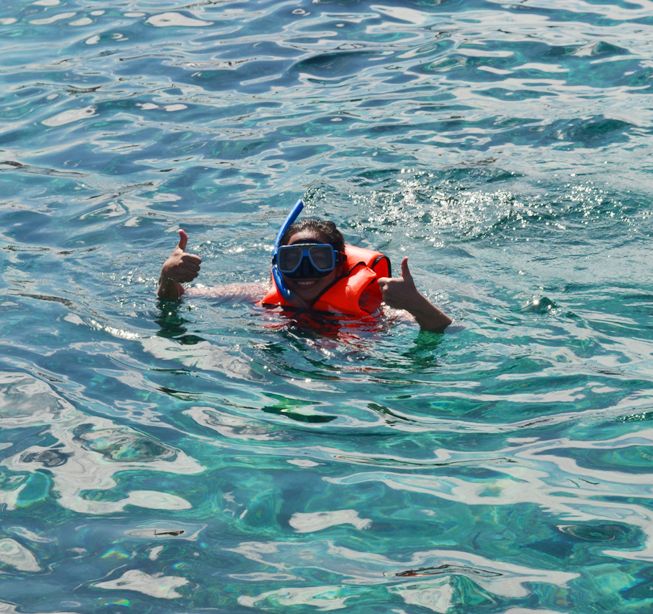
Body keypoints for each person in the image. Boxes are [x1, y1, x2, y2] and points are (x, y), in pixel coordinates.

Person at [157, 200, 452, 333]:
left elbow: (448, 330)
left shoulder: (375, 309)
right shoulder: (259, 295)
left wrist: (416, 304)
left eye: (320, 259)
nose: (306, 271)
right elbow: (179, 298)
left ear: (340, 266)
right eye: (293, 260)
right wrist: (167, 275)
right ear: (279, 265)